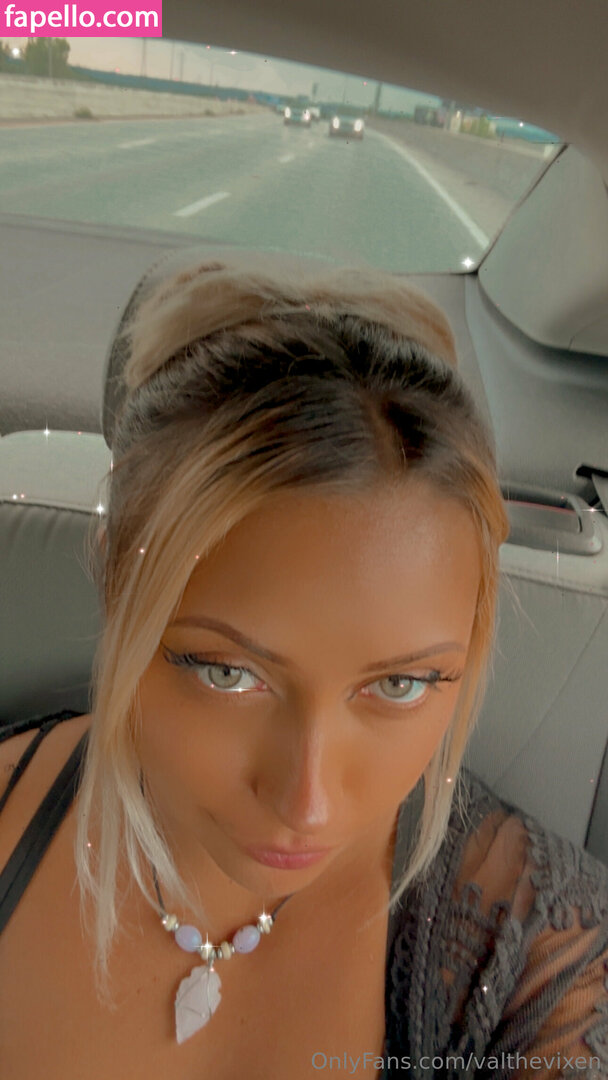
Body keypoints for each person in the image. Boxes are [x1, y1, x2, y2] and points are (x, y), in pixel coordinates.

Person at [0, 252, 606, 1080]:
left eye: (399, 684)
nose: (306, 802)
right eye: (226, 673)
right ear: (114, 580)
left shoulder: (541, 960)